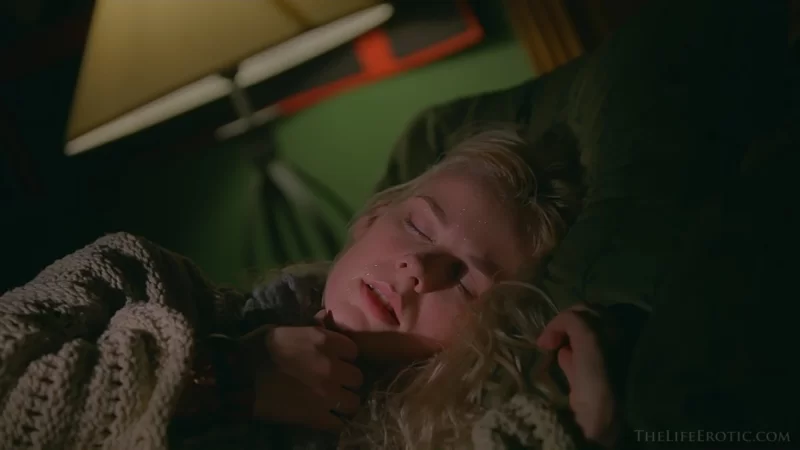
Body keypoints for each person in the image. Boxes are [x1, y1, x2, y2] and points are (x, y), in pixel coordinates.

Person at [0, 126, 636, 450]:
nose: (418, 269)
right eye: (418, 226)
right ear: (369, 219)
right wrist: (226, 377)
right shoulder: (136, 278)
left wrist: (591, 421)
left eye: (466, 279)